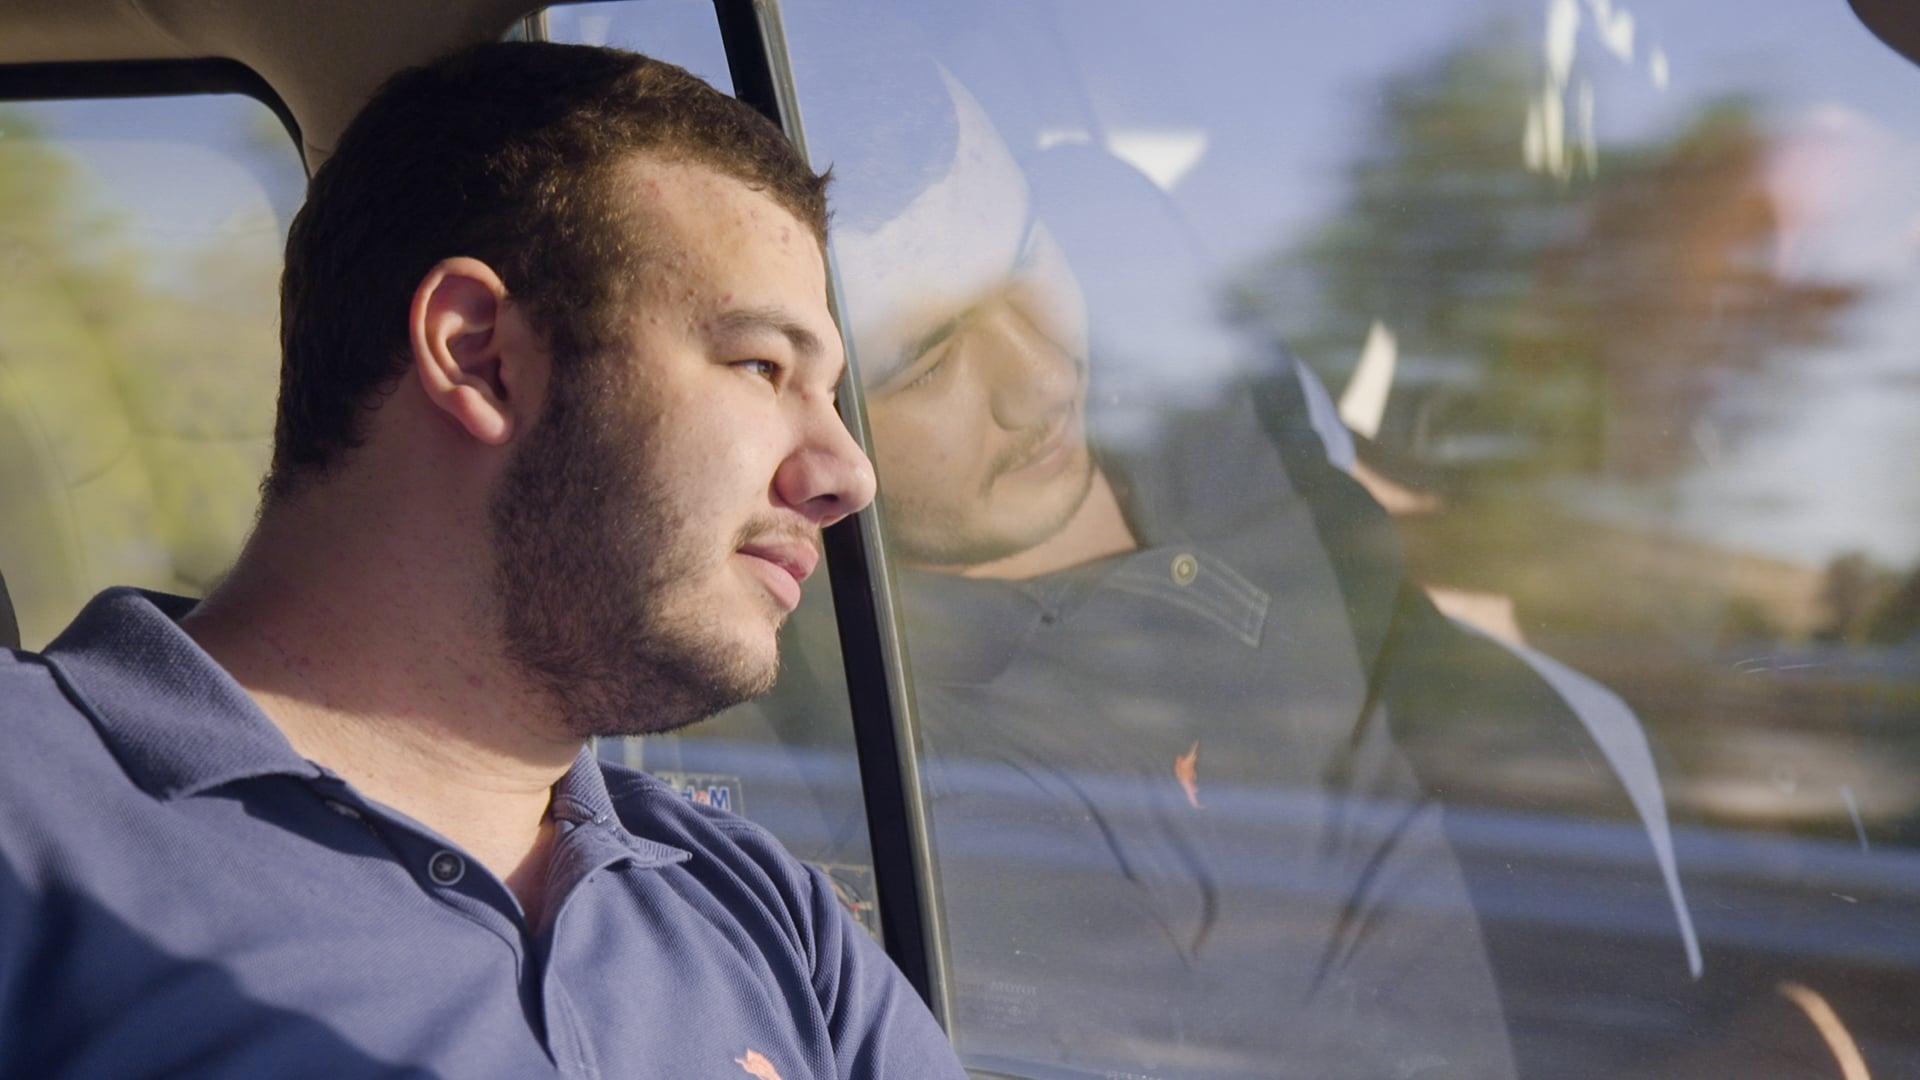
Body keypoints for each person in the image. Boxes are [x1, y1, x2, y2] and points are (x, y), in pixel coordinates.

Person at [649, 57, 1739, 1078]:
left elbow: (1386, 609)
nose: (1042, 376)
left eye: (1028, 261)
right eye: (928, 360)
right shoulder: (852, 744)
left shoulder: (1202, 400)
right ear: (795, 393)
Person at [0, 42, 966, 1079]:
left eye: (830, 393)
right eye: (762, 365)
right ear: (480, 357)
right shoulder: (30, 816)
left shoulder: (767, 917)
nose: (845, 474)